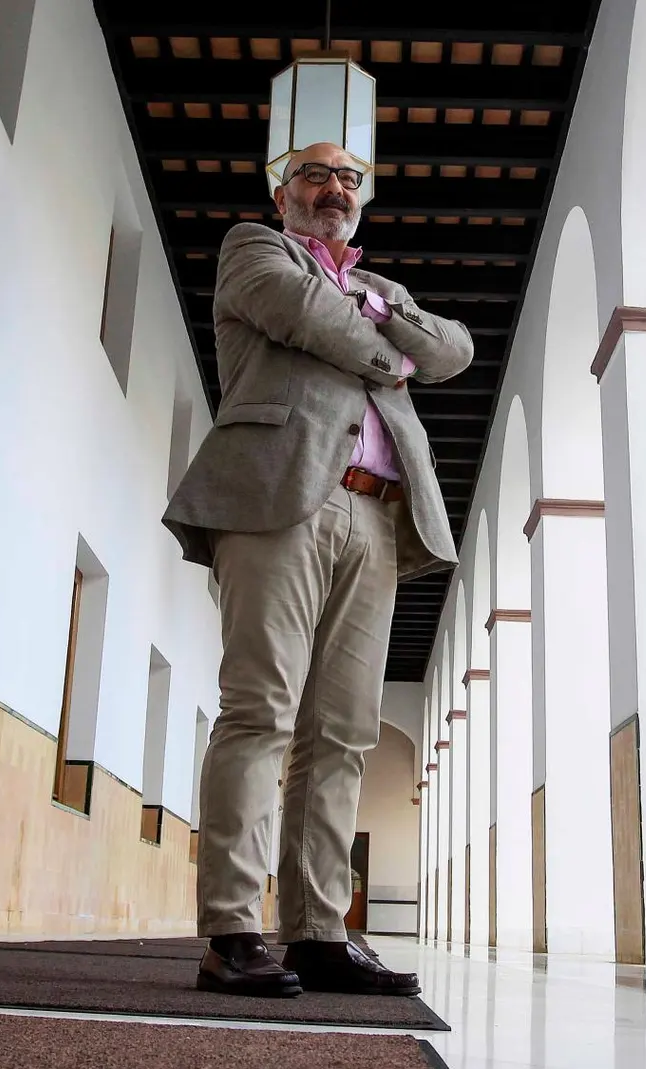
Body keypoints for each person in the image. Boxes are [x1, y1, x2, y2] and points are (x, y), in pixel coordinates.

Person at [163, 140, 473, 998]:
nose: (334, 190)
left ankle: (318, 932)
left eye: (349, 179)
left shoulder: (384, 290)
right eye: (314, 176)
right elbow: (307, 317)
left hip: (377, 515)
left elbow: (454, 351)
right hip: (279, 497)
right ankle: (232, 927)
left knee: (342, 733)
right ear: (282, 193)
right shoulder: (253, 248)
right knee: (259, 706)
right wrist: (390, 347)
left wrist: (391, 325)